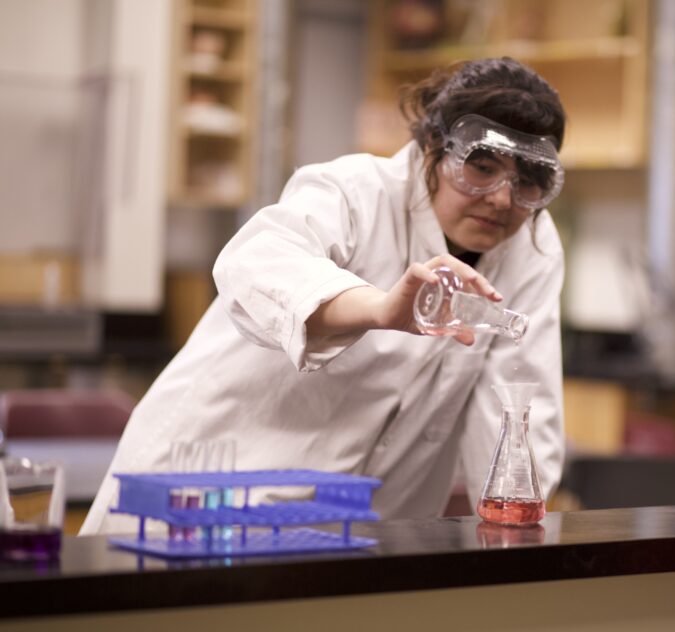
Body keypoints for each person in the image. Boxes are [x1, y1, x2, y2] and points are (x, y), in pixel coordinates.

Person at [81, 57, 567, 535]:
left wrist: (518, 526)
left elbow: (523, 408)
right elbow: (256, 262)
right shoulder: (356, 191)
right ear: (431, 151)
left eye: (527, 181)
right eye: (480, 168)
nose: (503, 199)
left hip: (364, 527)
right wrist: (379, 309)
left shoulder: (532, 249)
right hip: (209, 495)